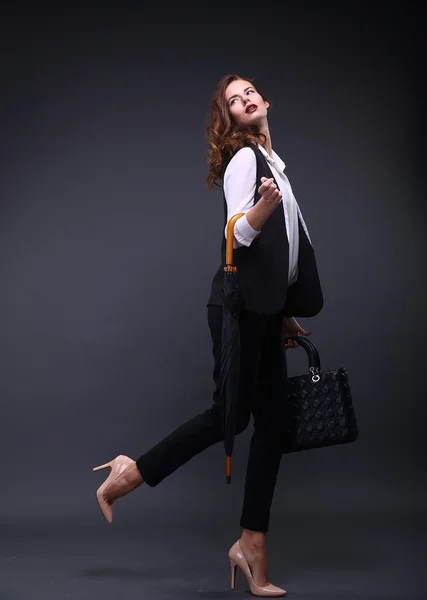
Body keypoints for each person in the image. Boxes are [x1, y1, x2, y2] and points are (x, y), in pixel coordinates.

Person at [93, 73, 324, 597]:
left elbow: (280, 255)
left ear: (265, 102)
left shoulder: (277, 166)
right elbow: (238, 235)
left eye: (250, 92)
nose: (244, 100)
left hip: (263, 311)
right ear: (229, 118)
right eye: (232, 100)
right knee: (233, 417)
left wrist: (284, 312)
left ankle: (250, 545)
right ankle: (132, 472)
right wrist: (261, 210)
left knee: (271, 426)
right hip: (235, 309)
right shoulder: (246, 161)